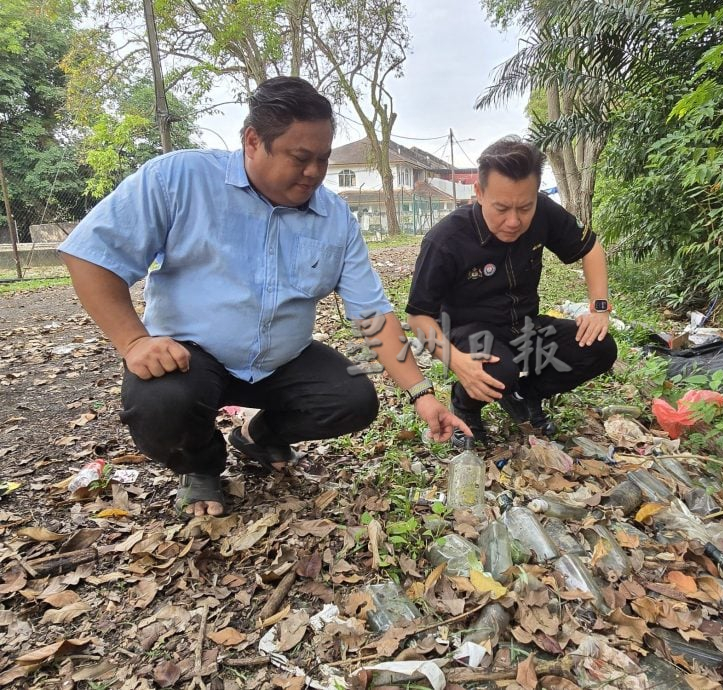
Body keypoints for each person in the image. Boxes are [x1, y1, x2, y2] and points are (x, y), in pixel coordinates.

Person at [58, 76, 469, 517]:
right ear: (253, 141)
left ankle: (258, 436)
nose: (314, 172)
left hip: (281, 361)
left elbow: (372, 314)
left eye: (323, 159)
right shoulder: (180, 179)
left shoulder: (335, 218)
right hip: (189, 358)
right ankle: (201, 466)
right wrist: (134, 341)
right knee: (160, 403)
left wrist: (422, 394)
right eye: (300, 158)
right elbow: (92, 255)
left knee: (352, 399)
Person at [406, 136, 617, 447]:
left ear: (536, 195)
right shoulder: (446, 240)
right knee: (498, 370)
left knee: (599, 347)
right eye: (501, 208)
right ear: (479, 193)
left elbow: (591, 247)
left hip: (525, 328)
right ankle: (465, 405)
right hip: (471, 335)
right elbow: (418, 316)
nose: (514, 221)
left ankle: (525, 395)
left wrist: (599, 309)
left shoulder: (543, 212)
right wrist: (457, 361)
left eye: (525, 207)